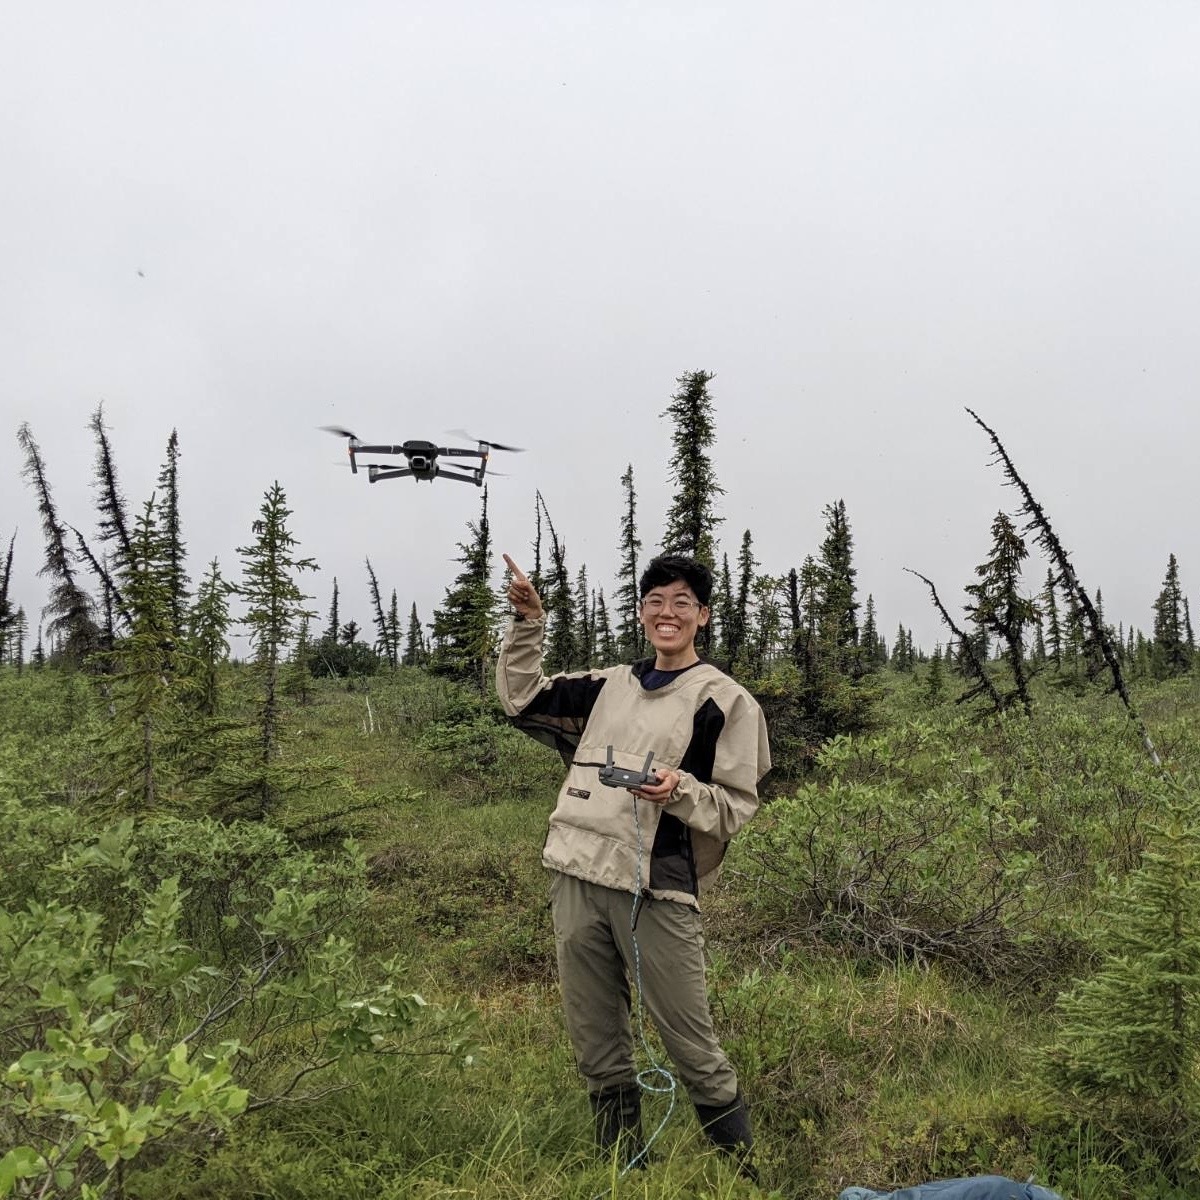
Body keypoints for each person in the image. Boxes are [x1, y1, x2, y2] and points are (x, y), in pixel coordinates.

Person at [495, 551, 771, 1177]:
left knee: (690, 1043)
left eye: (681, 602)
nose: (666, 613)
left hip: (657, 888)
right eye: (655, 601)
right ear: (642, 612)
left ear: (701, 615)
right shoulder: (607, 685)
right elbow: (521, 700)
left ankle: (744, 1179)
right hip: (576, 873)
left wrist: (678, 789)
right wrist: (529, 624)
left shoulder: (723, 702)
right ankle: (625, 1170)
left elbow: (734, 807)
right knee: (597, 1040)